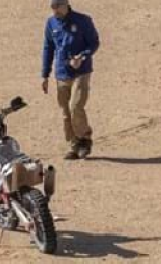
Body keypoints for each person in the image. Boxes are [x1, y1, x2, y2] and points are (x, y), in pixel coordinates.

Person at [41, 0, 100, 160]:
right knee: (65, 112)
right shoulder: (51, 23)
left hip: (81, 71)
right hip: (62, 72)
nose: (55, 10)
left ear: (66, 4)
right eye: (52, 7)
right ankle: (74, 145)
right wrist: (44, 75)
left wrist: (82, 56)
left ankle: (85, 140)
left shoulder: (83, 21)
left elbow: (94, 43)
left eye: (57, 6)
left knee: (76, 107)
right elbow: (48, 48)